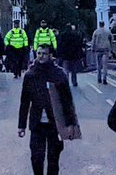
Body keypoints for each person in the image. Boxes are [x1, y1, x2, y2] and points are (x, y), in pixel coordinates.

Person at [19, 43, 79, 175]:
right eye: (39, 53)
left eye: (44, 53)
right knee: (36, 158)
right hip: (37, 124)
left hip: (55, 124)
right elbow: (24, 101)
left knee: (53, 159)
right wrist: (21, 125)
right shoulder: (30, 75)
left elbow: (67, 101)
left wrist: (71, 125)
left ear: (50, 55)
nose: (41, 56)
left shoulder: (59, 74)